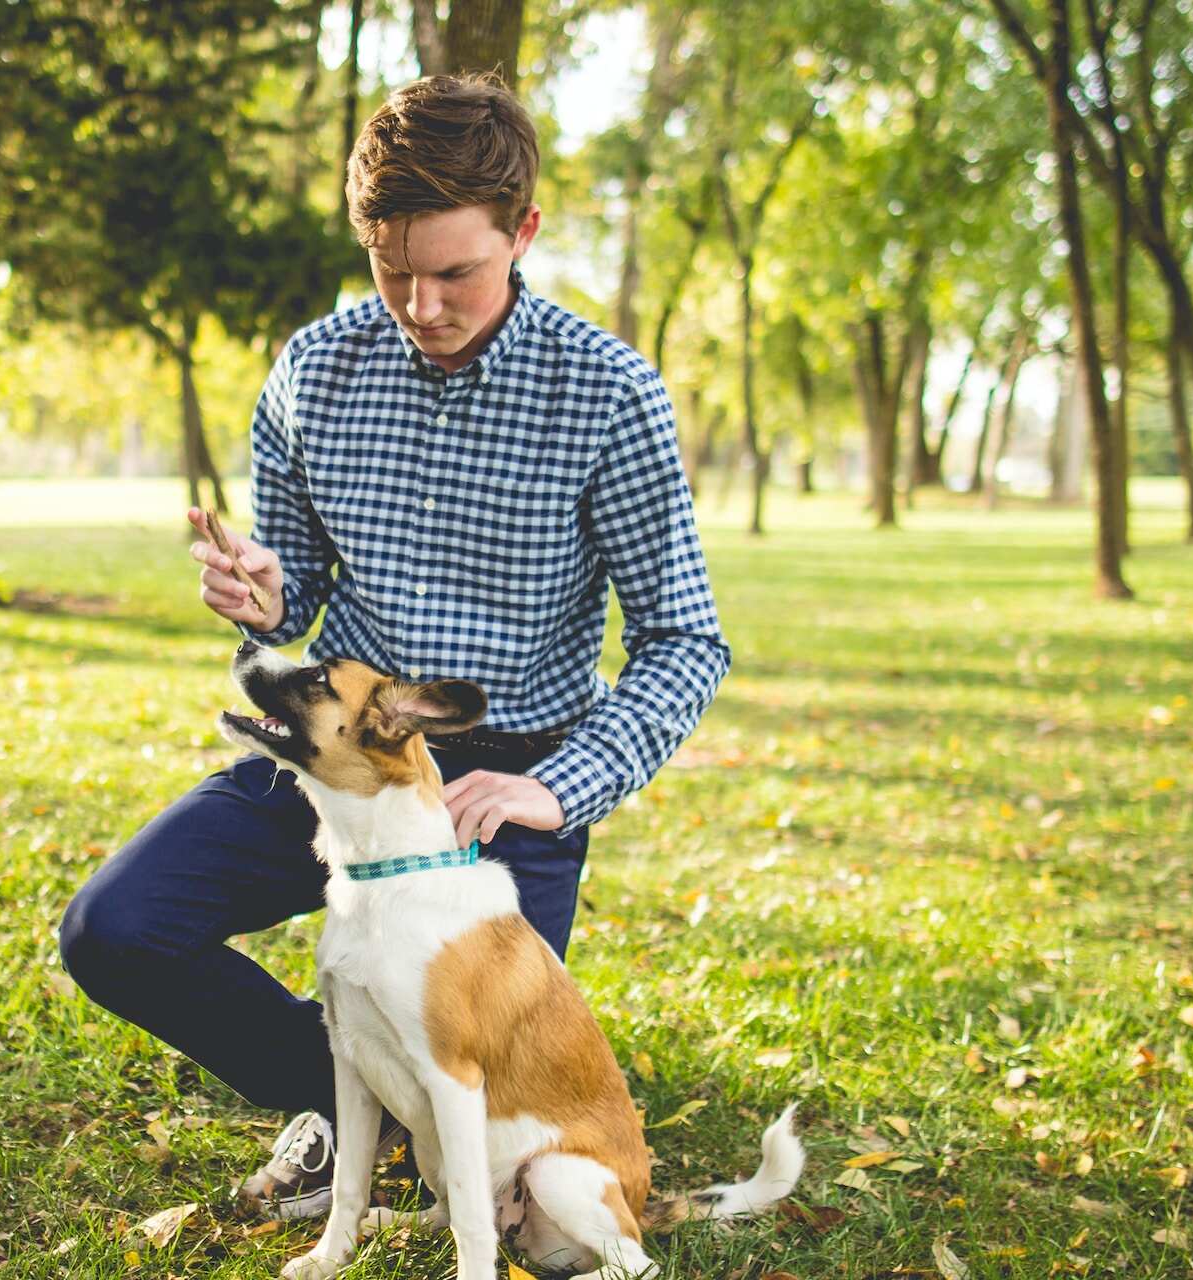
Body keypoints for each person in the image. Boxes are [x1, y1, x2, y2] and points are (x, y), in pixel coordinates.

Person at [58, 72, 729, 1220]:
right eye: (392, 269)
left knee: (461, 1159)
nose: (420, 303)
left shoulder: (610, 392)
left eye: (454, 271)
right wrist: (264, 596)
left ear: (522, 232)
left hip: (501, 783)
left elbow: (683, 640)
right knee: (114, 928)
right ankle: (335, 1086)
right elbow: (300, 594)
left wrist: (553, 786)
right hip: (338, 755)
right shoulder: (314, 372)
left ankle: (399, 1099)